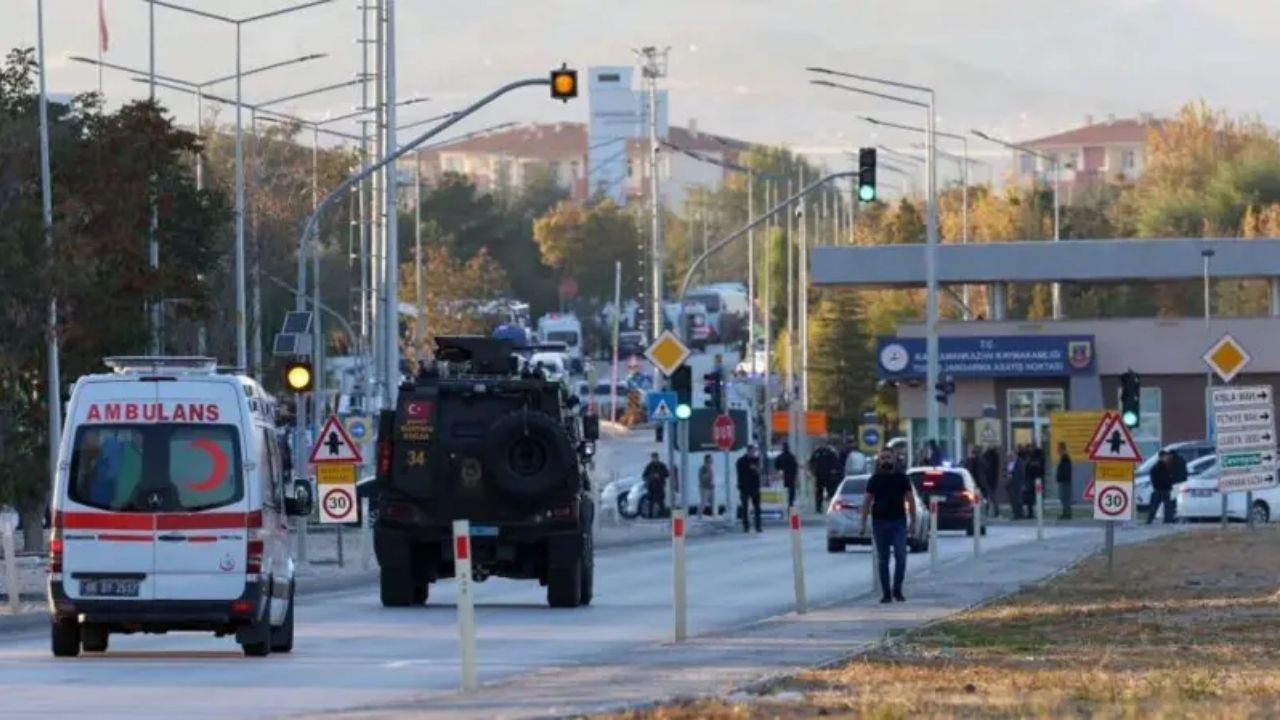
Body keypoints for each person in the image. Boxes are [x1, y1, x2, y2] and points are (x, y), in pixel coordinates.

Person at [860, 449, 917, 604]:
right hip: (879, 522)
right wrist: (863, 522)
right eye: (883, 458)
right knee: (883, 558)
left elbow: (910, 500)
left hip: (898, 521)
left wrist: (913, 521)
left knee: (900, 555)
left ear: (894, 459)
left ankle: (897, 589)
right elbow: (867, 501)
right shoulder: (875, 479)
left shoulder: (902, 478)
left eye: (888, 458)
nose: (886, 461)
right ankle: (886, 593)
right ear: (879, 461)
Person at [736, 444, 763, 533]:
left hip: (755, 487)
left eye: (753, 451)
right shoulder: (741, 461)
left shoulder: (756, 460)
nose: (752, 453)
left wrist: (755, 469)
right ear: (747, 451)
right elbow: (739, 473)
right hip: (744, 487)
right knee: (745, 507)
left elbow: (759, 472)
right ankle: (746, 526)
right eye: (751, 451)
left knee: (757, 507)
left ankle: (758, 526)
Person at [809, 443, 841, 514]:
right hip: (820, 475)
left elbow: (836, 462)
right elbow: (811, 462)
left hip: (828, 475)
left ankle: (831, 506)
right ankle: (819, 507)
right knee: (819, 492)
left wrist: (835, 470)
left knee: (830, 492)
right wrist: (812, 471)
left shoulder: (830, 452)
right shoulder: (817, 453)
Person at [1147, 450, 1175, 524]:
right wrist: (1169, 482)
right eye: (1165, 456)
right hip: (1162, 489)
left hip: (1160, 489)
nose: (1167, 458)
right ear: (1161, 457)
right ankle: (1168, 520)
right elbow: (1164, 478)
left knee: (1157, 505)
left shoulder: (1160, 466)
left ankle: (1150, 520)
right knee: (1166, 505)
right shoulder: (1160, 466)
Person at [641, 452, 670, 519]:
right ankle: (650, 515)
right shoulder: (649, 466)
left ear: (658, 458)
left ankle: (662, 515)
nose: (655, 459)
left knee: (661, 501)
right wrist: (652, 476)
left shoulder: (662, 465)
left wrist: (660, 475)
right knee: (651, 501)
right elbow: (644, 476)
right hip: (651, 486)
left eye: (656, 457)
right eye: (653, 458)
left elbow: (667, 474)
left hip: (660, 485)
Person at [775, 441, 799, 508]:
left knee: (783, 491)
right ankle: (790, 504)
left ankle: (784, 504)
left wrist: (780, 471)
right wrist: (795, 476)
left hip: (783, 477)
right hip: (791, 477)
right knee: (791, 492)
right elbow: (795, 467)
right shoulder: (792, 457)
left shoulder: (780, 457)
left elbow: (777, 467)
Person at [1007, 446, 1027, 519]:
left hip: (1017, 483)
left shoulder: (1020, 462)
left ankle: (1019, 514)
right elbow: (1006, 471)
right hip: (1010, 484)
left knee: (1018, 499)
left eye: (1012, 454)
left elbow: (1021, 472)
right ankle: (1015, 513)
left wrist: (1011, 473)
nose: (1010, 456)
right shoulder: (1010, 462)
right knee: (1012, 499)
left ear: (1015, 454)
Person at [982, 445, 1002, 518]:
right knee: (991, 497)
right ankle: (995, 511)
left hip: (988, 480)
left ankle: (991, 511)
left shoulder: (988, 457)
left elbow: (986, 468)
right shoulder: (995, 457)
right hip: (992, 480)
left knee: (989, 497)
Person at [1056, 442, 1074, 520]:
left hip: (1065, 481)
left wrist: (1061, 478)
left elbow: (1066, 471)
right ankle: (1065, 512)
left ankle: (1067, 513)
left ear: (1062, 449)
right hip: (1063, 481)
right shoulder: (1064, 458)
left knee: (1065, 497)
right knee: (1063, 497)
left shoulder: (1065, 458)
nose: (1057, 450)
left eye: (1059, 449)